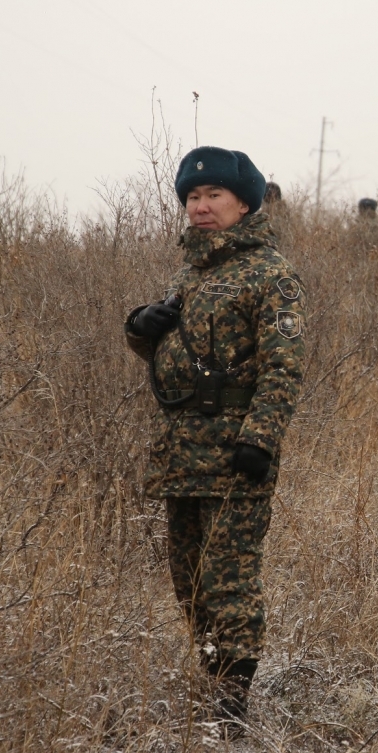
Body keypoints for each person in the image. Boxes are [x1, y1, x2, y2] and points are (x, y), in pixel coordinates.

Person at [125, 146, 306, 722]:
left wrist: (260, 439)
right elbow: (167, 352)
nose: (200, 207)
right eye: (192, 197)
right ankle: (211, 671)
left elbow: (284, 366)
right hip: (180, 449)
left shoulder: (272, 275)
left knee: (230, 575)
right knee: (189, 578)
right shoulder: (190, 270)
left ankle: (234, 695)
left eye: (213, 196)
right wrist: (140, 327)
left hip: (234, 450)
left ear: (244, 202)